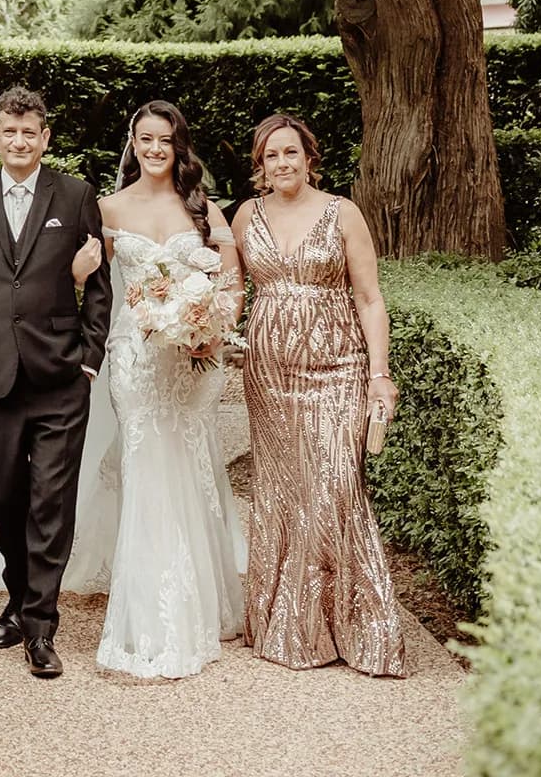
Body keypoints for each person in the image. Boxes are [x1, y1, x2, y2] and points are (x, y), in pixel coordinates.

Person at [0, 84, 112, 679]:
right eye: (8, 131)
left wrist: (88, 359)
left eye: (29, 132)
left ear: (45, 138)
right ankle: (17, 595)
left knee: (51, 502)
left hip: (61, 376)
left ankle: (40, 625)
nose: (19, 141)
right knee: (5, 493)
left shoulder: (76, 194)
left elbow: (98, 287)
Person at [231, 113, 407, 677]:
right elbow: (233, 291)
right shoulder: (244, 216)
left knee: (336, 488)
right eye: (270, 156)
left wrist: (379, 374)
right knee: (284, 493)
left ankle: (363, 629)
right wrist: (199, 329)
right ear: (260, 167)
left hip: (337, 367)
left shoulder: (342, 212)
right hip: (267, 375)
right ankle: (289, 623)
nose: (282, 164)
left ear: (310, 157)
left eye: (290, 153)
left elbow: (370, 297)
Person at [78, 99, 247, 679]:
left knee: (192, 461)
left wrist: (211, 330)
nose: (154, 149)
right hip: (135, 356)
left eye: (165, 141)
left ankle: (206, 596)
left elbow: (230, 284)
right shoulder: (105, 208)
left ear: (179, 148)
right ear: (132, 141)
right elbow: (88, 283)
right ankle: (152, 617)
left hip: (193, 357)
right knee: (146, 462)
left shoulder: (204, 209)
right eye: (145, 138)